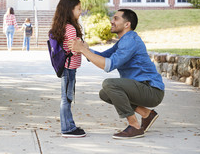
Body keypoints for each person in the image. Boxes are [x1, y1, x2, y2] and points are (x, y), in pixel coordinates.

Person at [68, 9, 165, 139]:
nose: (111, 21)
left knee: (110, 84)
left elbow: (108, 65)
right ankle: (147, 114)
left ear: (127, 24)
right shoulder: (123, 41)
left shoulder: (130, 41)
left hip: (151, 90)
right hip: (141, 87)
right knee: (105, 93)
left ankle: (135, 126)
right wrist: (86, 49)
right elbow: (104, 56)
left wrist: (83, 51)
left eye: (116, 18)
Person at [50, 0, 86, 138]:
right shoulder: (70, 28)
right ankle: (67, 128)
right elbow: (75, 49)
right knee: (66, 98)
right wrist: (83, 46)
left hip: (69, 67)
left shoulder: (64, 26)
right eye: (78, 9)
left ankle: (70, 125)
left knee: (68, 97)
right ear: (69, 10)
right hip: (69, 67)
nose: (80, 12)